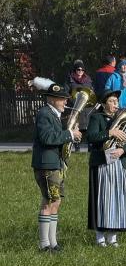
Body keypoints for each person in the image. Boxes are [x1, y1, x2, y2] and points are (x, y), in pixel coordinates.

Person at [31, 77, 81, 251]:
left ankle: (53, 242)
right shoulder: (45, 114)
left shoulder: (54, 115)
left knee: (56, 201)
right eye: (62, 99)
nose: (66, 101)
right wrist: (69, 134)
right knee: (49, 201)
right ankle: (44, 244)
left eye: (66, 99)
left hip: (55, 164)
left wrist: (71, 136)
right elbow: (47, 138)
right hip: (46, 164)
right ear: (52, 99)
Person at [85, 89, 126, 247]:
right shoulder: (96, 117)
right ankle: (100, 237)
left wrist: (123, 150)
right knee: (102, 200)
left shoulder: (122, 118)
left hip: (119, 163)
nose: (115, 104)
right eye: (112, 101)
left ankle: (112, 237)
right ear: (104, 103)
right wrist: (109, 132)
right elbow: (91, 137)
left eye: (116, 101)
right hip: (102, 163)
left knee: (117, 198)